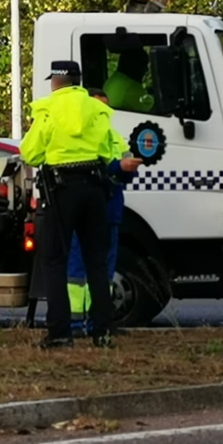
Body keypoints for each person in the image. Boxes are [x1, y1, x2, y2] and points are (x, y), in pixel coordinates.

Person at [20, 61, 117, 349]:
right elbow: (109, 150)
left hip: (61, 191)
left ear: (56, 82)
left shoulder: (47, 109)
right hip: (94, 189)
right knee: (97, 262)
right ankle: (103, 332)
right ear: (77, 81)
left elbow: (31, 153)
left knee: (53, 260)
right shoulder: (96, 109)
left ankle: (60, 333)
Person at [66, 88, 143, 333]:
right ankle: (76, 323)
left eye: (106, 109)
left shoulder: (115, 138)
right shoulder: (79, 138)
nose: (103, 113)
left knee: (104, 270)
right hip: (87, 211)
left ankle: (100, 322)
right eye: (98, 108)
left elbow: (126, 176)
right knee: (78, 271)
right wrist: (116, 167)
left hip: (110, 210)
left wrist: (125, 168)